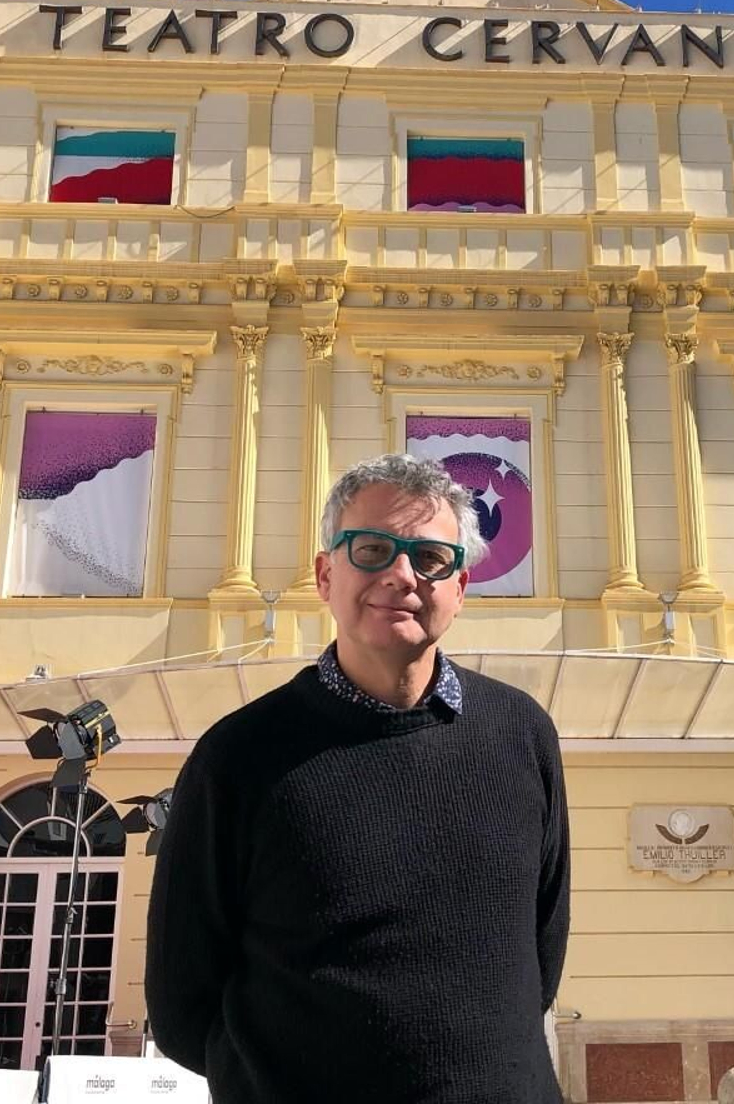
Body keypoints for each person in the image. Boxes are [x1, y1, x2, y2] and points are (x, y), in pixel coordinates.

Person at [145, 453, 572, 1103]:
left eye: (430, 558)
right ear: (325, 575)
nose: (401, 574)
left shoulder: (522, 736)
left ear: (459, 588)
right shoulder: (240, 756)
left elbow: (540, 957)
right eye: (373, 549)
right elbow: (182, 1001)